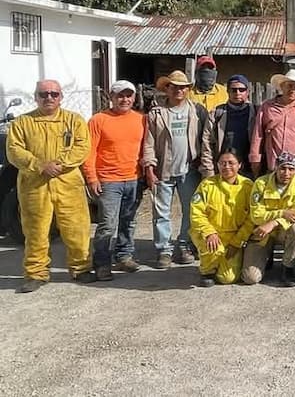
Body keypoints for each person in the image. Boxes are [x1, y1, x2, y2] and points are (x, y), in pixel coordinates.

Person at [6, 80, 94, 293]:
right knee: (35, 230)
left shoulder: (74, 120)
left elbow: (82, 147)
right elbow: (14, 150)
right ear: (35, 97)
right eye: (43, 94)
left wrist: (59, 164)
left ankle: (80, 268)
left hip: (68, 184)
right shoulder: (22, 123)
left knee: (77, 228)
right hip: (34, 186)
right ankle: (36, 274)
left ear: (61, 97)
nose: (49, 98)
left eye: (54, 94)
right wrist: (39, 166)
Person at [142, 70, 207, 269]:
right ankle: (164, 250)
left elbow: (206, 137)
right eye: (175, 86)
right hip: (164, 169)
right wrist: (150, 169)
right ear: (167, 88)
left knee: (191, 210)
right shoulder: (157, 113)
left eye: (183, 87)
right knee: (161, 212)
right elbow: (149, 143)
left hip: (190, 169)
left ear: (188, 89)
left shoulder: (197, 110)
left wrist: (204, 165)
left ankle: (185, 244)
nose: (179, 90)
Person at [83, 80, 146, 280]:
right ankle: (101, 263)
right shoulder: (98, 120)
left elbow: (146, 149)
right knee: (107, 224)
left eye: (129, 95)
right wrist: (91, 178)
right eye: (120, 95)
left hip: (135, 179)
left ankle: (124, 256)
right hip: (109, 181)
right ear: (111, 97)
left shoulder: (141, 120)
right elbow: (89, 152)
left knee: (129, 221)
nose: (124, 99)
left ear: (134, 98)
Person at [242, 152, 295, 287]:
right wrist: (283, 213)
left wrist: (274, 222)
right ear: (276, 168)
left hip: (283, 231)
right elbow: (256, 214)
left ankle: (288, 268)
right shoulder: (261, 183)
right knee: (250, 278)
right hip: (262, 233)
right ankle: (266, 256)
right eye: (282, 168)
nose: (286, 173)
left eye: (291, 169)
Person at [188, 151, 254, 287]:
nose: (227, 167)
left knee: (227, 278)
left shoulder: (248, 186)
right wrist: (209, 232)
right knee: (212, 247)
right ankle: (207, 271)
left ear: (240, 165)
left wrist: (237, 243)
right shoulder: (207, 185)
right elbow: (196, 213)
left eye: (231, 163)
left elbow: (252, 218)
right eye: (222, 163)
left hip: (234, 236)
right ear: (217, 165)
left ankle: (220, 263)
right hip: (211, 234)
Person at [250, 69, 295, 177]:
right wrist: (255, 158)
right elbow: (258, 134)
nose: (293, 90)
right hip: (273, 164)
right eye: (289, 86)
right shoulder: (267, 107)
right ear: (282, 86)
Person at [200, 74, 257, 178]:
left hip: (249, 170)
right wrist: (209, 171)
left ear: (248, 91)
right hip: (223, 169)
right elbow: (207, 143)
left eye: (241, 89)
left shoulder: (257, 112)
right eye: (233, 90)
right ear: (228, 91)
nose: (237, 93)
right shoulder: (217, 113)